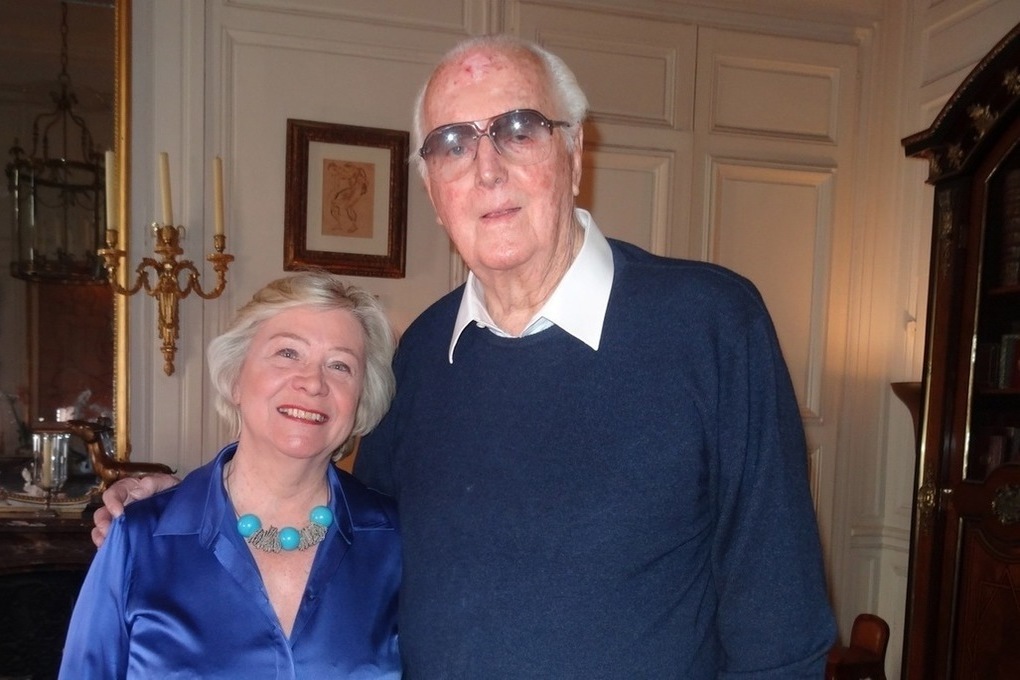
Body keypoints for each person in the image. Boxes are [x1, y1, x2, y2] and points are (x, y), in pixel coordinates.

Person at [94, 34, 836, 678]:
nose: (486, 169)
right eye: (453, 143)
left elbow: (782, 627)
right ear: (432, 188)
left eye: (518, 129)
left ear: (574, 152)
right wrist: (187, 506)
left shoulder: (710, 325)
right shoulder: (421, 355)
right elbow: (342, 528)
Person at [64, 272, 401, 678]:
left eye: (340, 365)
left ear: (361, 400)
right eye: (288, 353)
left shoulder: (395, 541)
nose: (313, 382)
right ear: (236, 377)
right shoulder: (139, 538)